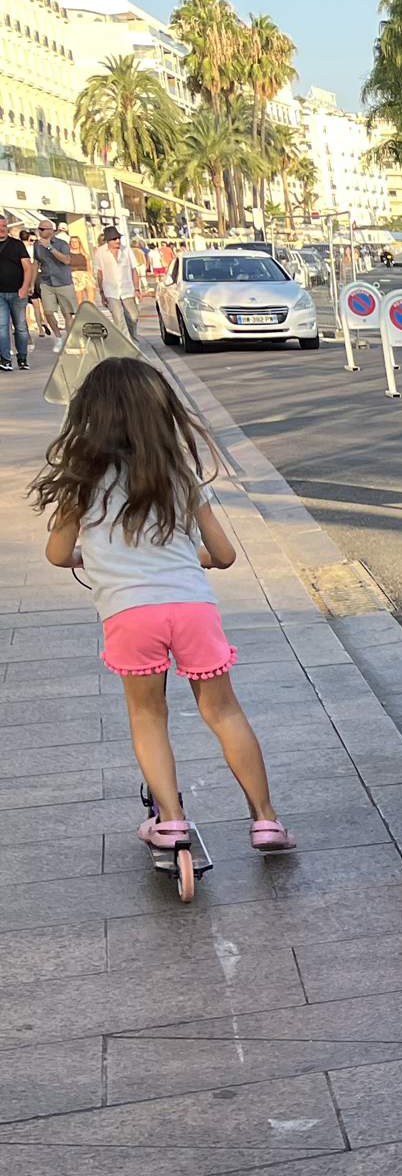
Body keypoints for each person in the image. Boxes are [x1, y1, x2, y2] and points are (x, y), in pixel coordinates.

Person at [29, 358, 293, 859]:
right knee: (223, 711)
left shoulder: (82, 481)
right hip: (192, 608)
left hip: (130, 613)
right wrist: (191, 560)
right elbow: (225, 555)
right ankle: (265, 820)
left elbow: (58, 554)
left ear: (92, 416)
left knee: (148, 715)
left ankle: (171, 821)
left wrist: (100, 558)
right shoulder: (181, 474)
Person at [31, 221, 75, 344]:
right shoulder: (37, 245)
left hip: (63, 281)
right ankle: (58, 337)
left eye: (43, 229)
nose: (40, 231)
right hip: (46, 281)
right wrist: (31, 283)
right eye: (39, 229)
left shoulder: (62, 244)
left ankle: (70, 341)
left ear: (51, 230)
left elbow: (66, 260)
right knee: (48, 312)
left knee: (67, 314)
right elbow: (36, 263)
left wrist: (50, 247)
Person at [92, 226, 139, 338]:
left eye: (118, 238)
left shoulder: (126, 250)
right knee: (118, 318)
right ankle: (128, 344)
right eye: (114, 239)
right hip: (111, 291)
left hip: (127, 289)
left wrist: (137, 289)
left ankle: (133, 340)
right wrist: (102, 292)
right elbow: (100, 274)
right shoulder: (100, 253)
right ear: (108, 240)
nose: (117, 241)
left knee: (133, 317)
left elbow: (134, 270)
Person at [0, 227, 30, 371]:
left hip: (18, 292)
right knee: (2, 326)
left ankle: (22, 357)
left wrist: (25, 287)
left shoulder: (17, 244)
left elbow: (27, 267)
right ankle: (5, 359)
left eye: (5, 226)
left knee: (21, 327)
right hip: (0, 294)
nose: (2, 229)